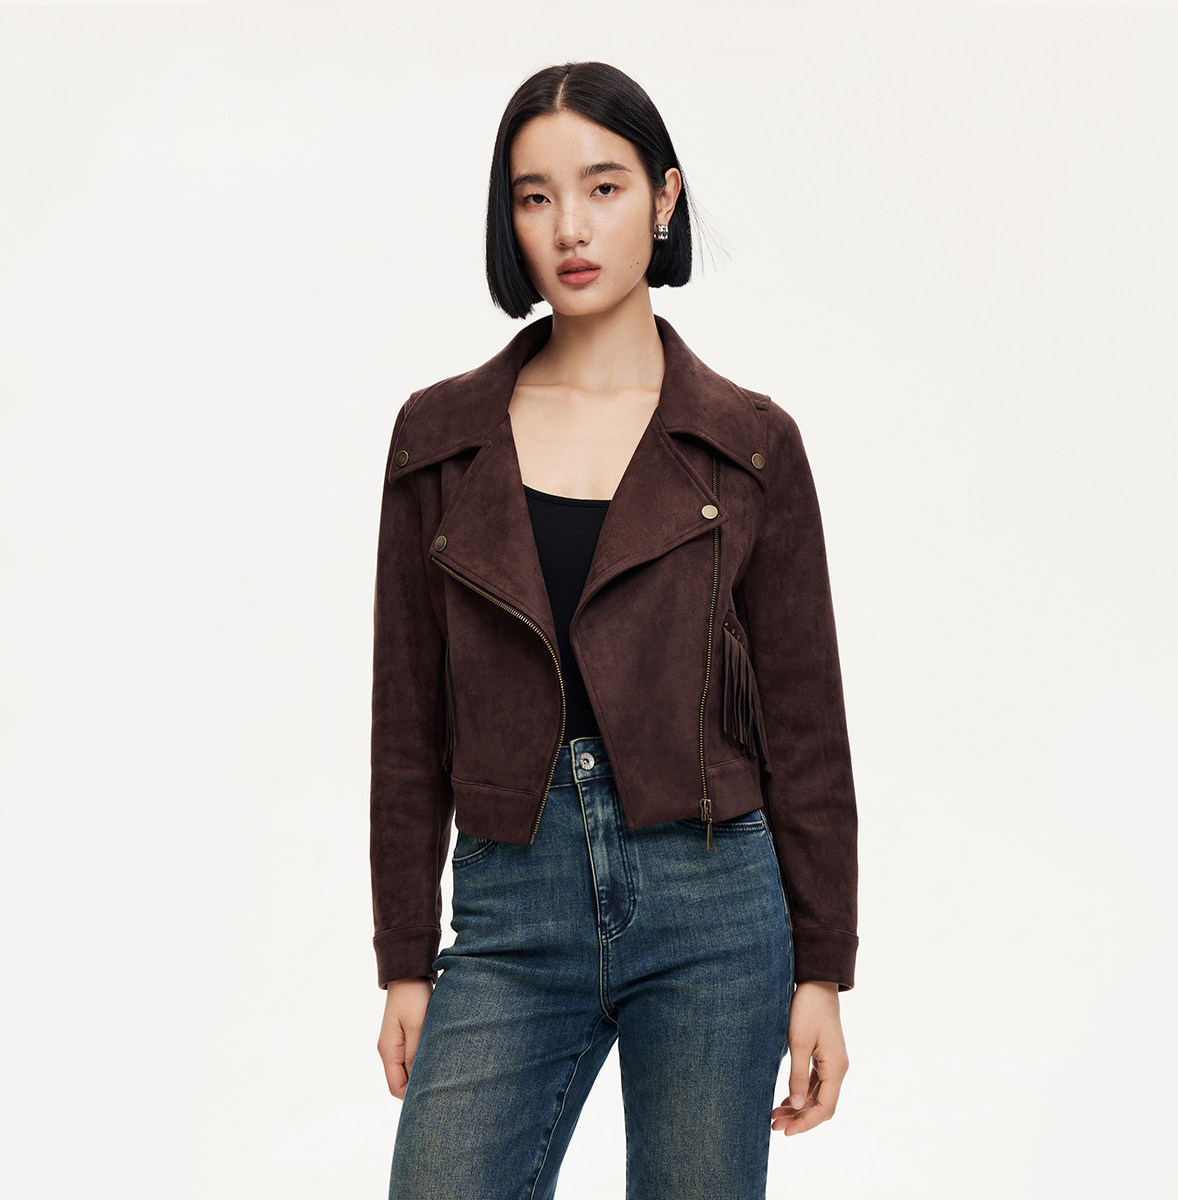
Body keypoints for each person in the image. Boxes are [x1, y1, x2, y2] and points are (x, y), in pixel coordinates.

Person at [371, 60, 859, 1200]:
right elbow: (407, 723)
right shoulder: (439, 441)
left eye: (603, 187)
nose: (570, 229)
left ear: (665, 197)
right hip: (509, 903)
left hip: (714, 906)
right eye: (535, 197)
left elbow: (805, 726)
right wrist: (405, 957)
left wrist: (823, 969)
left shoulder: (749, 446)